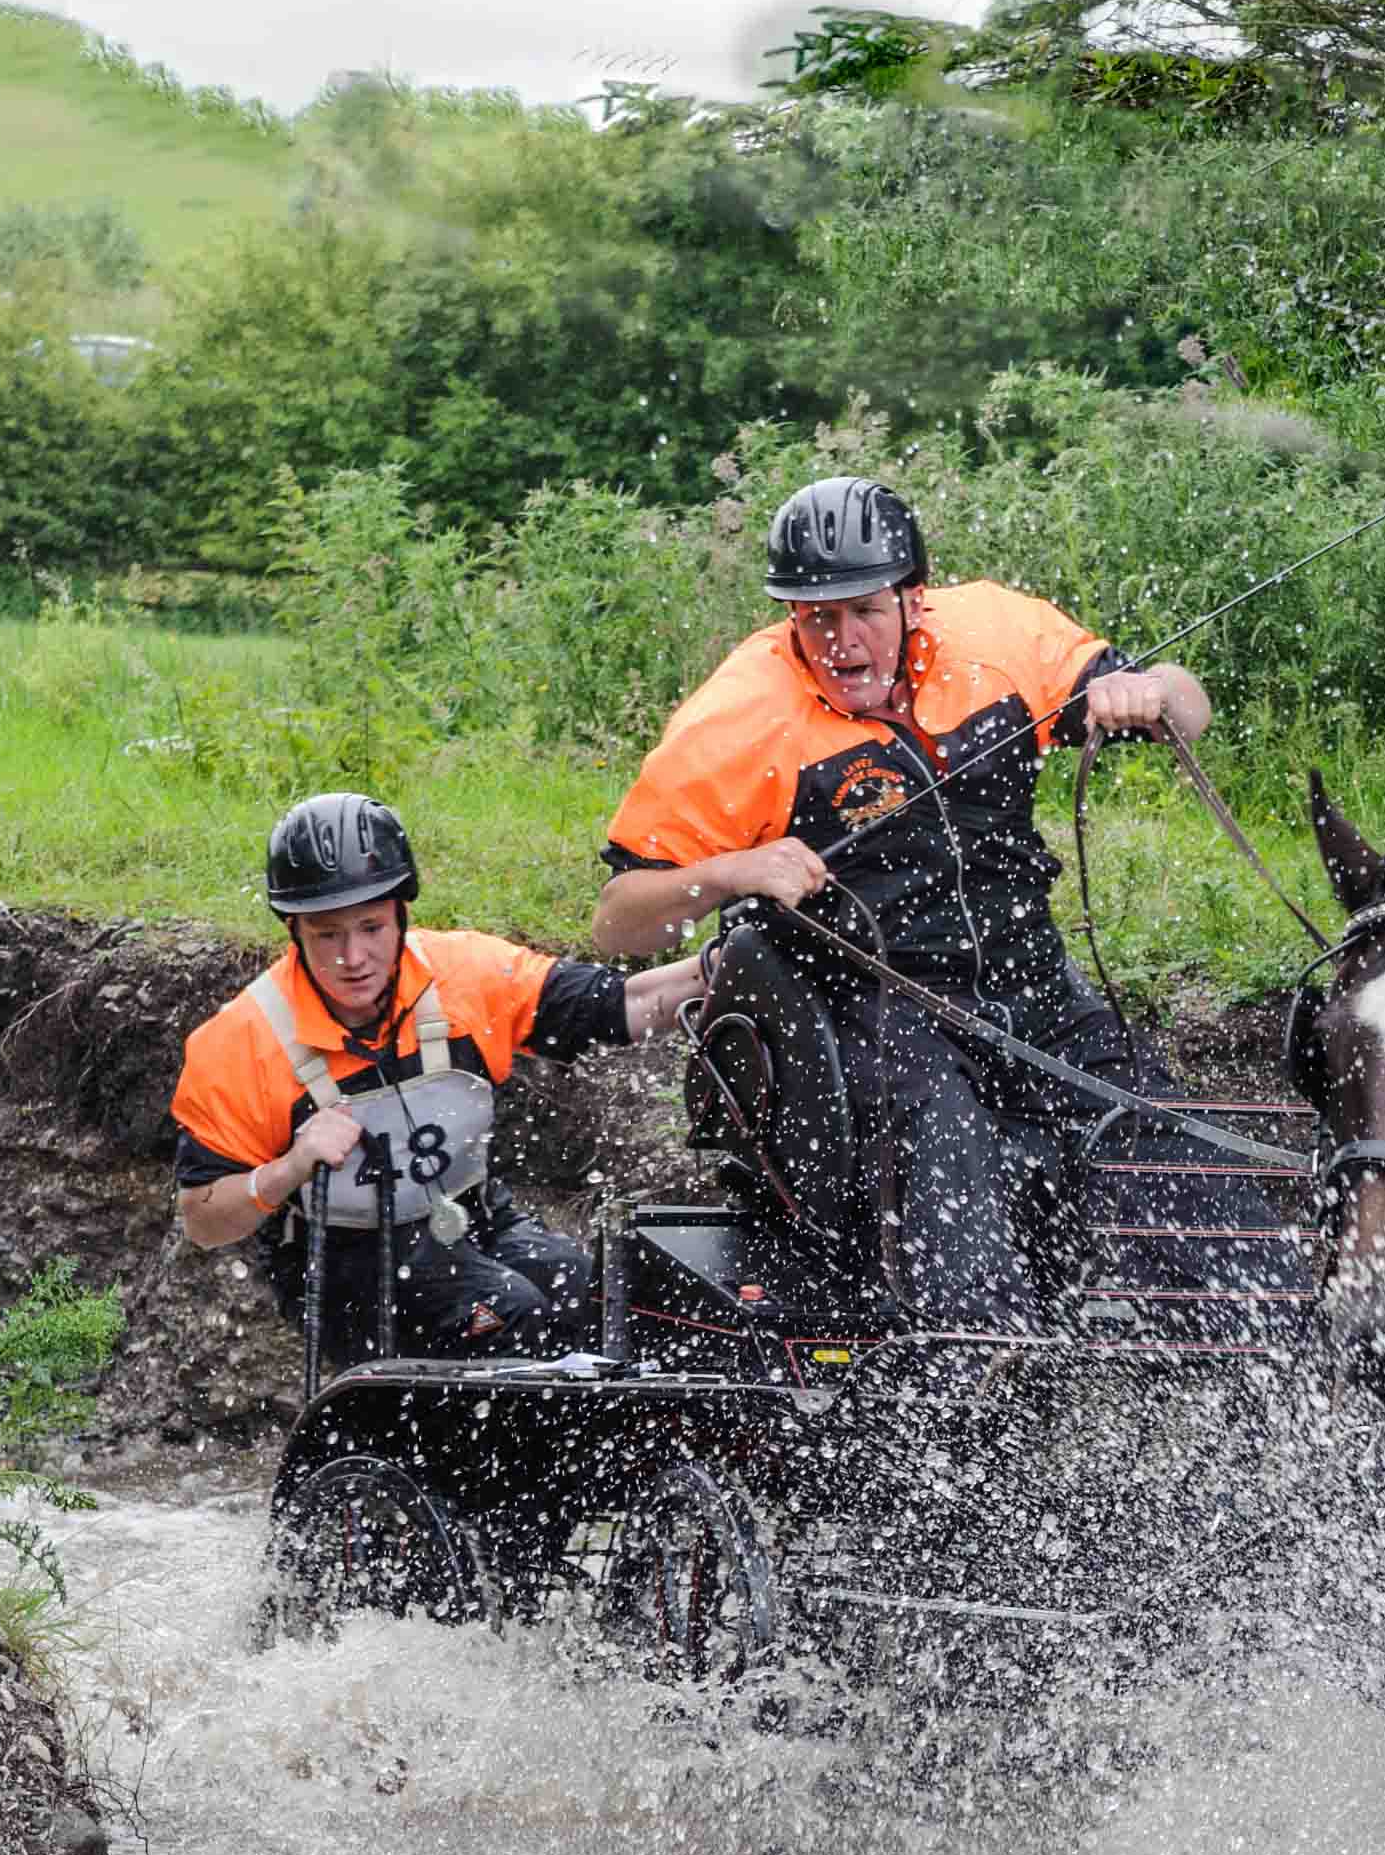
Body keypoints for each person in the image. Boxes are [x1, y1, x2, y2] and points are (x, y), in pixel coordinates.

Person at [587, 476, 1220, 1327]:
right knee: (945, 1137)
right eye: (817, 618)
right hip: (868, 1008)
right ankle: (980, 1355)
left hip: (1031, 988)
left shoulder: (1000, 632)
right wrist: (737, 871)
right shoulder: (740, 717)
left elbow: (1193, 703)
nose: (842, 643)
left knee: (1174, 1159)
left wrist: (1147, 692)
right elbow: (620, 917)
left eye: (865, 612)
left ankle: (1259, 1347)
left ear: (913, 599)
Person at [175, 793, 703, 1362]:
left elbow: (619, 1004)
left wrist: (717, 969)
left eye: (372, 927)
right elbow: (204, 1219)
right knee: (510, 1312)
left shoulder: (465, 976)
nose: (354, 957)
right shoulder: (241, 1042)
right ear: (294, 931)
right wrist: (290, 1168)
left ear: (402, 915)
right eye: (328, 935)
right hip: (340, 1266)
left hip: (469, 1218)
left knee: (592, 1296)